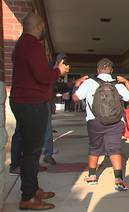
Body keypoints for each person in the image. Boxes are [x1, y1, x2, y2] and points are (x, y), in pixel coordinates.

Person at [10, 12, 69, 210]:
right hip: (32, 104)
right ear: (38, 27)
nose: (44, 29)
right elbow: (43, 76)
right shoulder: (33, 45)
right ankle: (28, 197)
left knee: (31, 151)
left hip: (24, 102)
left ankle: (33, 189)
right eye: (42, 26)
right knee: (32, 152)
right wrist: (58, 71)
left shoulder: (21, 44)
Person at [72, 58, 129, 191]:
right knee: (114, 149)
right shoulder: (117, 85)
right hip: (115, 122)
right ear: (111, 70)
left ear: (97, 70)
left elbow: (75, 98)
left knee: (94, 148)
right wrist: (127, 82)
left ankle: (92, 176)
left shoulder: (88, 83)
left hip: (94, 121)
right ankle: (118, 179)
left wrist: (77, 84)